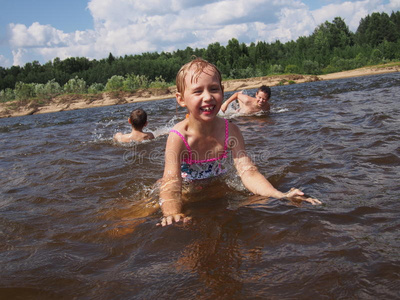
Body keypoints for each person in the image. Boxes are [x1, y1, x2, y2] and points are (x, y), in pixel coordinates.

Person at [158, 58, 320, 226]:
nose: (208, 97)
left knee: (263, 202)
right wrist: (172, 212)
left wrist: (279, 194)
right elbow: (171, 182)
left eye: (213, 89)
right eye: (197, 91)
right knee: (159, 213)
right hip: (186, 188)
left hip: (216, 184)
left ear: (221, 90)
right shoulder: (178, 136)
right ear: (181, 99)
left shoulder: (231, 131)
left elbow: (248, 171)